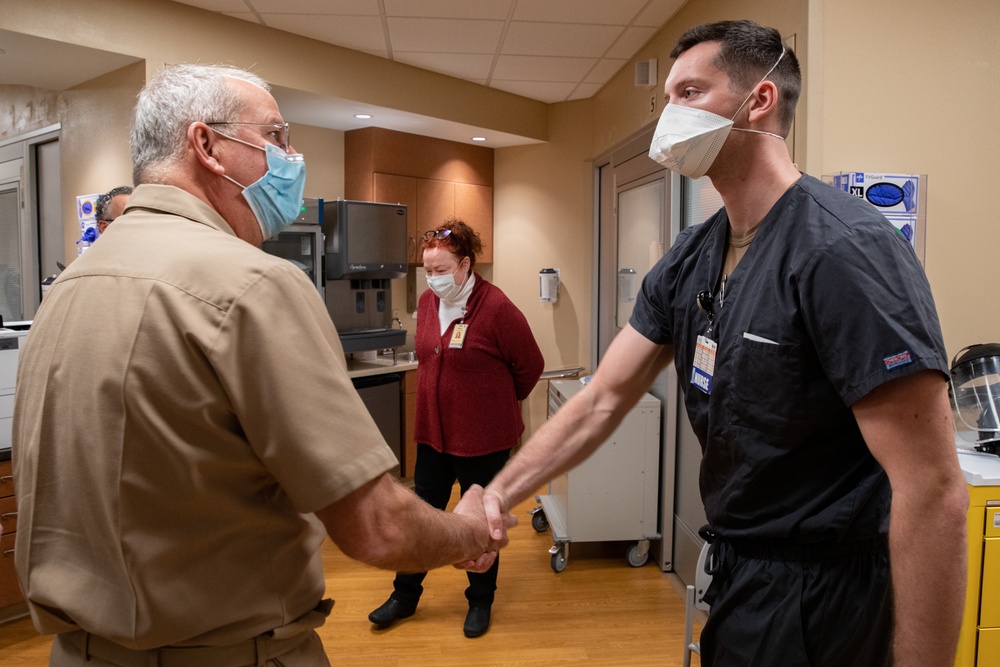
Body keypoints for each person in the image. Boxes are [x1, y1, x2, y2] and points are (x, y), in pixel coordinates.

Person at [479, 20, 968, 667]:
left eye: (689, 92)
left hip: (827, 595)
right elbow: (601, 399)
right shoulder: (692, 257)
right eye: (669, 99)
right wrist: (496, 494)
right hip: (741, 575)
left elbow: (933, 492)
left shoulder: (843, 250)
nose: (669, 116)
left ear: (758, 100)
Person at [12, 64, 513, 667]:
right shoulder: (251, 283)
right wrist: (468, 530)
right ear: (207, 145)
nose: (292, 156)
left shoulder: (68, 286)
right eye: (276, 136)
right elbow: (377, 525)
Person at [368, 219, 544, 638]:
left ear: (465, 265)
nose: (433, 279)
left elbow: (530, 366)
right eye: (427, 270)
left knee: (483, 524)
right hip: (433, 436)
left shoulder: (497, 308)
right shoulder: (428, 304)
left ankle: (480, 602)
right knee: (420, 520)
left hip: (483, 441)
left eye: (441, 270)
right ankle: (404, 597)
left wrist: (492, 405)